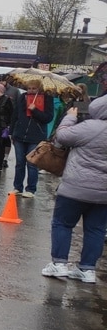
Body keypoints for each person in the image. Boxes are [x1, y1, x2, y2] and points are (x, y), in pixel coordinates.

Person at [40, 95, 107, 283]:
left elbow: (62, 136)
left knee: (63, 223)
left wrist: (69, 117)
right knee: (96, 230)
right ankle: (87, 269)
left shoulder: (91, 127)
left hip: (76, 187)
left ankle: (59, 263)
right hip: (104, 193)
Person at [9, 86, 54, 197]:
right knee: (19, 163)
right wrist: (11, 132)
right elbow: (15, 115)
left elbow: (48, 118)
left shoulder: (47, 98)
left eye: (34, 88)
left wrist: (35, 110)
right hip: (19, 135)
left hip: (36, 136)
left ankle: (31, 189)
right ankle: (17, 187)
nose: (31, 90)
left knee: (32, 163)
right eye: (29, 88)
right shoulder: (22, 97)